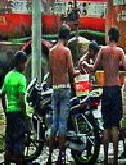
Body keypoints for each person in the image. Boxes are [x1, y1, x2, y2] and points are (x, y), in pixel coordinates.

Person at [84, 26, 126, 165]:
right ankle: (115, 160)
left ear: (110, 36)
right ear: (117, 38)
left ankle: (105, 160)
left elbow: (93, 69)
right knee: (115, 127)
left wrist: (85, 64)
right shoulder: (120, 51)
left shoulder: (103, 50)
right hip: (116, 90)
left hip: (106, 90)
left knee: (106, 127)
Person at [48, 24, 79, 165]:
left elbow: (50, 73)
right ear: (66, 37)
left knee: (54, 124)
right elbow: (71, 72)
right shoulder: (66, 51)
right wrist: (80, 72)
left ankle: (49, 156)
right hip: (65, 89)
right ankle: (60, 156)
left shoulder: (51, 51)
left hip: (55, 88)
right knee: (62, 124)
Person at [0, 51, 28, 165]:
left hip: (10, 113)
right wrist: (25, 113)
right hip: (18, 114)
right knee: (19, 142)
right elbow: (21, 99)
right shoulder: (21, 78)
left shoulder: (8, 76)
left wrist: (5, 110)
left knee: (9, 142)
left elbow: (2, 94)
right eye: (24, 63)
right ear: (20, 63)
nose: (25, 66)